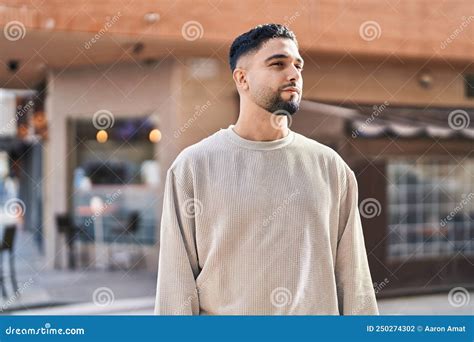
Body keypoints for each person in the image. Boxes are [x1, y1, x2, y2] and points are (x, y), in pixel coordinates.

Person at [154, 23, 378, 315]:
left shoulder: (330, 166)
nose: (293, 74)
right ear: (242, 78)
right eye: (277, 64)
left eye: (298, 65)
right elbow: (175, 284)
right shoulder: (193, 166)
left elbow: (354, 278)